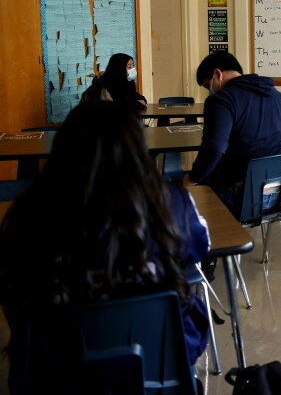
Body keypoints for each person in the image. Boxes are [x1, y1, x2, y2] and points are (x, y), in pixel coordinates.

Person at [0, 101, 211, 389]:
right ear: (137, 149)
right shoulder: (170, 202)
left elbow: (13, 293)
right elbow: (200, 249)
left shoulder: (26, 213)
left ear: (63, 149)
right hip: (158, 370)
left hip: (51, 372)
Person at [184, 51, 281, 210]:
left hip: (242, 195)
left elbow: (214, 148)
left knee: (181, 187)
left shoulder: (221, 101)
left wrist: (191, 179)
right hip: (279, 191)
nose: (210, 91)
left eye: (208, 86)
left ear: (218, 74)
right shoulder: (277, 96)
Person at [82, 52, 147, 110]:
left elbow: (134, 96)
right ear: (119, 69)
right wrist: (138, 104)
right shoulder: (106, 87)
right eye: (129, 67)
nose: (133, 70)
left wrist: (141, 101)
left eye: (133, 66)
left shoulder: (125, 84)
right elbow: (119, 107)